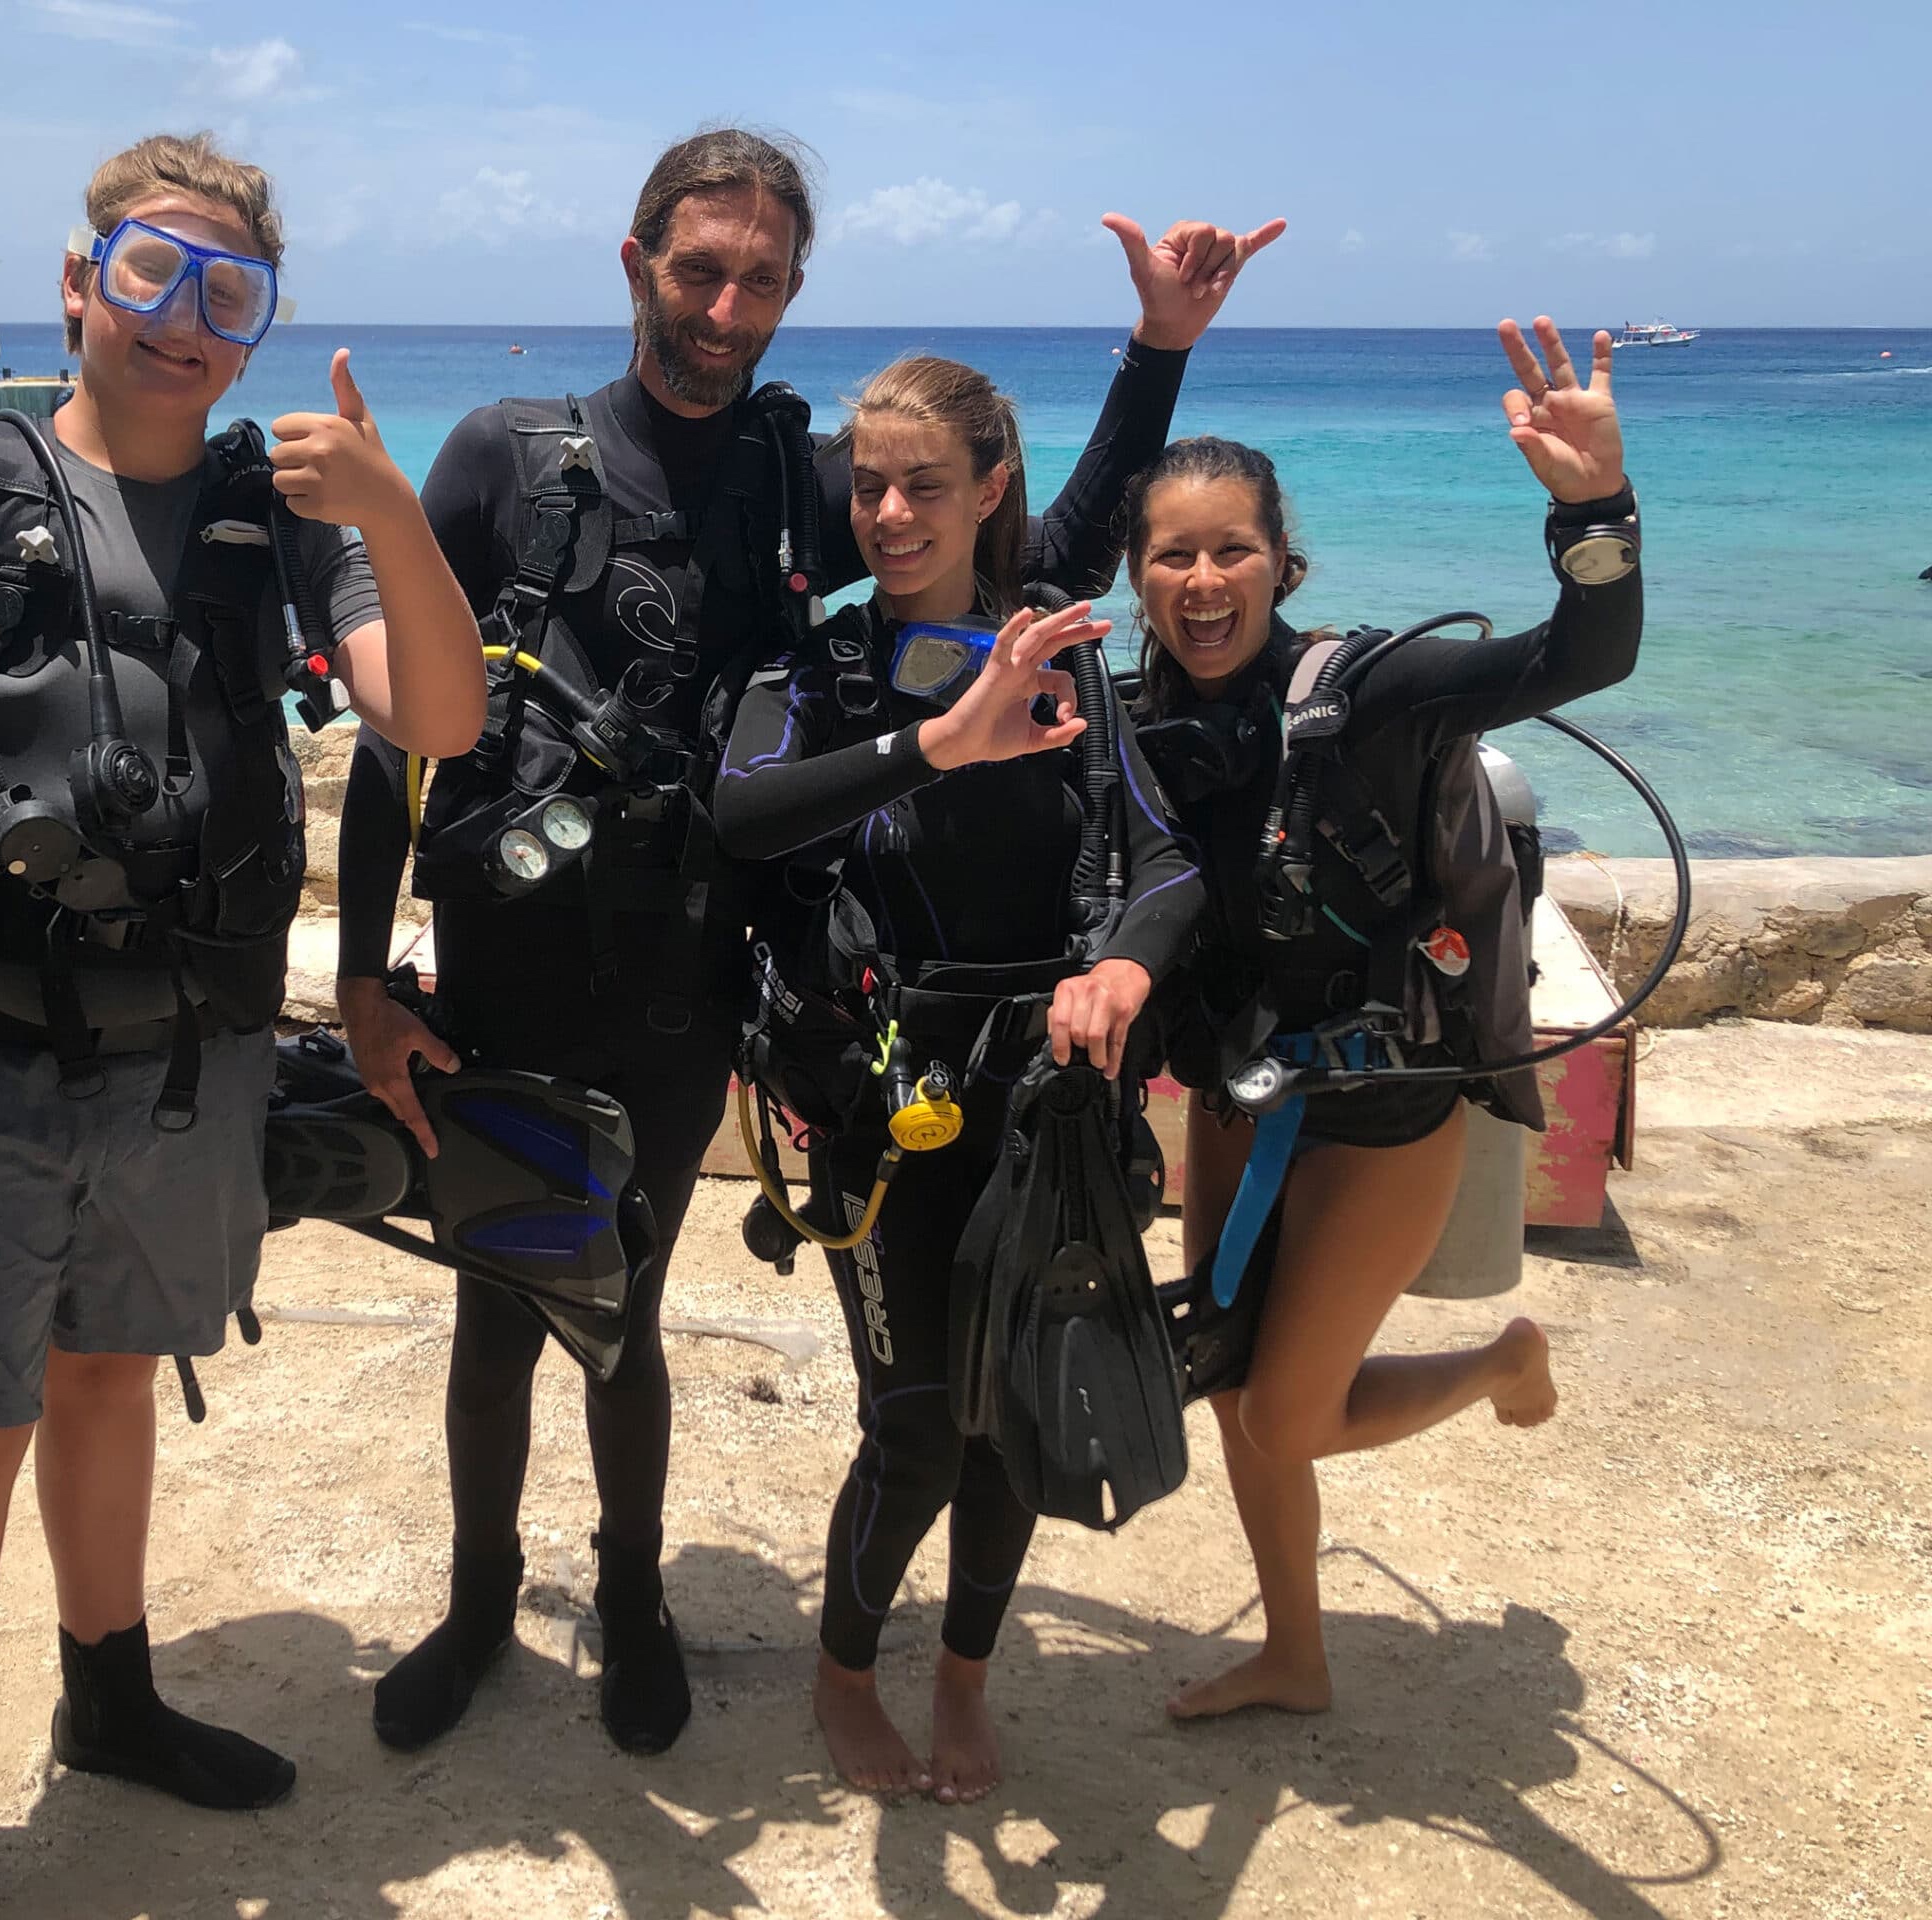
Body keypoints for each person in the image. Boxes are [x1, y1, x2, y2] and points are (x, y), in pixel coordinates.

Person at [337, 119, 1278, 1758]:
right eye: (701, 267)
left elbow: (1010, 551)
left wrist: (1155, 358)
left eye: (762, 276)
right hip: (504, 959)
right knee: (496, 1308)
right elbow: (400, 732)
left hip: (689, 979)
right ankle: (484, 1601)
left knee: (621, 1300)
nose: (727, 300)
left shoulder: (796, 475)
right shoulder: (503, 454)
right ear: (637, 265)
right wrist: (359, 972)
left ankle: (631, 1601)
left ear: (789, 293)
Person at [0, 132, 483, 1915]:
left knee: (105, 1380)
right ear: (79, 284)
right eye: (151, 273)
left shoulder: (282, 527)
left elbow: (443, 723)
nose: (183, 319)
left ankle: (114, 1701)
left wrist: (386, 508)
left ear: (253, 335)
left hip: (183, 1076)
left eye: (226, 294)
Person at [1124, 317, 1639, 1720]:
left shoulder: (1377, 697)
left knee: (1290, 1411)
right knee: (1235, 1388)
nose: (1205, 578)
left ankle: (1496, 1363)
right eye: (1173, 554)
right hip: (1238, 1099)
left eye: (1233, 548)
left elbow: (1587, 653)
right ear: (1136, 577)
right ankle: (1296, 1655)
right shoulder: (1131, 728)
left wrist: (1594, 506)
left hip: (1385, 1104)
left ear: (1282, 563)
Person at [712, 354, 1207, 1800]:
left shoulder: (1060, 665)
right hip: (888, 1103)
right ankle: (845, 1671)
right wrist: (938, 742)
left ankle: (969, 1676)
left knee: (1023, 1414)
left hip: (1044, 1106)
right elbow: (742, 819)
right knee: (920, 1424)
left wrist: (1125, 966)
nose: (888, 511)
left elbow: (1168, 860)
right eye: (867, 484)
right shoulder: (819, 671)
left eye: (926, 484)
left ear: (994, 491)